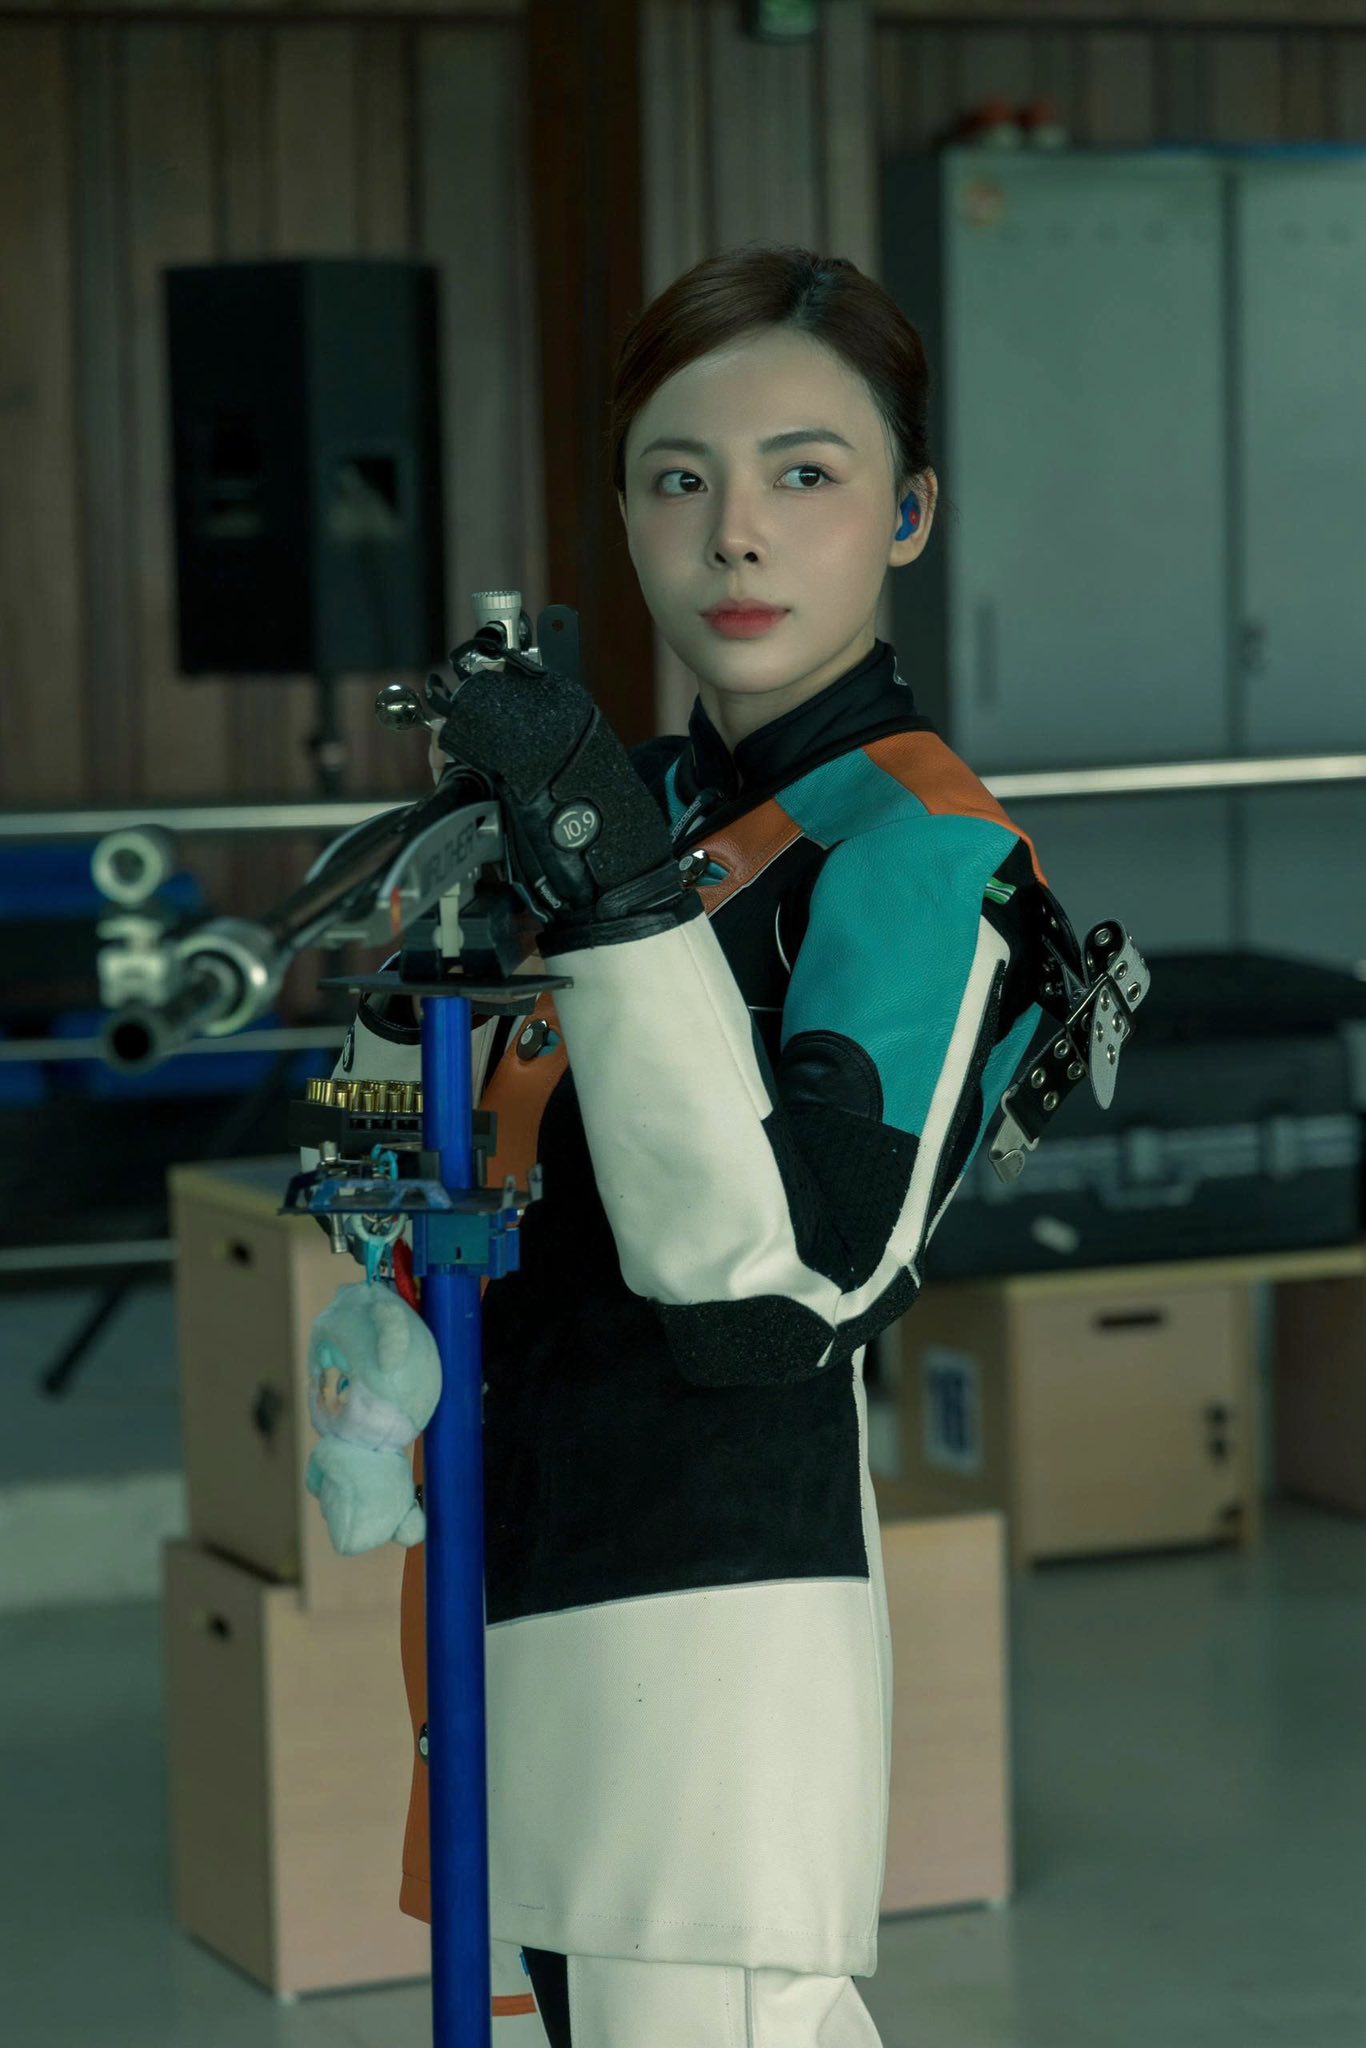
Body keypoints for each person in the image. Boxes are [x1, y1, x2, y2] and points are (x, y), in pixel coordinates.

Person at [335, 243, 1057, 2046]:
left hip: (707, 1607)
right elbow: (416, 1128)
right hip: (512, 1559)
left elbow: (778, 1295)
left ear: (907, 513)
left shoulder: (925, 850)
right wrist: (386, 1254)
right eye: (678, 479)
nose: (734, 536)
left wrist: (600, 871)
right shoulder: (643, 803)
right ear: (625, 517)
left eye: (804, 474)